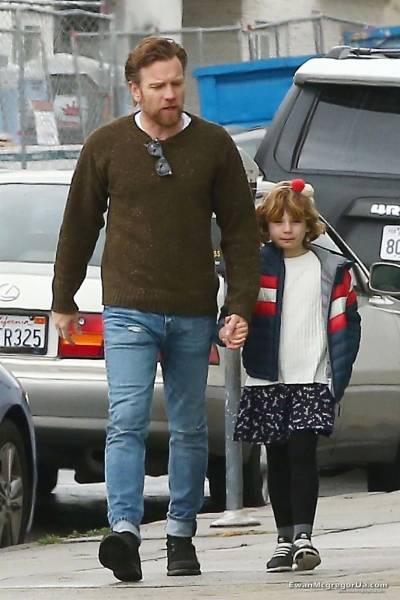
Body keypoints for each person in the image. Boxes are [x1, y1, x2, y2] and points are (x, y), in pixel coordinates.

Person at [51, 36, 260, 582]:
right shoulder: (106, 145)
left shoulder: (213, 145)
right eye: (158, 86)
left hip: (192, 309)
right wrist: (62, 299)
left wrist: (239, 304)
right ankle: (123, 531)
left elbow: (241, 232)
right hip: (127, 307)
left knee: (189, 426)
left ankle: (180, 535)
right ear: (135, 90)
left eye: (176, 84)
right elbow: (78, 224)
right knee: (126, 419)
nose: (170, 94)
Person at [219, 179, 361, 572]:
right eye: (278, 221)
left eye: (295, 221)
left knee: (302, 451)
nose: (286, 229)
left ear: (308, 225)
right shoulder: (255, 266)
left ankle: (303, 537)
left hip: (312, 375)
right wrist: (228, 329)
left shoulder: (330, 267)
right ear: (266, 225)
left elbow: (349, 322)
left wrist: (338, 371)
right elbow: (231, 312)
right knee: (277, 456)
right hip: (268, 378)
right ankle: (283, 539)